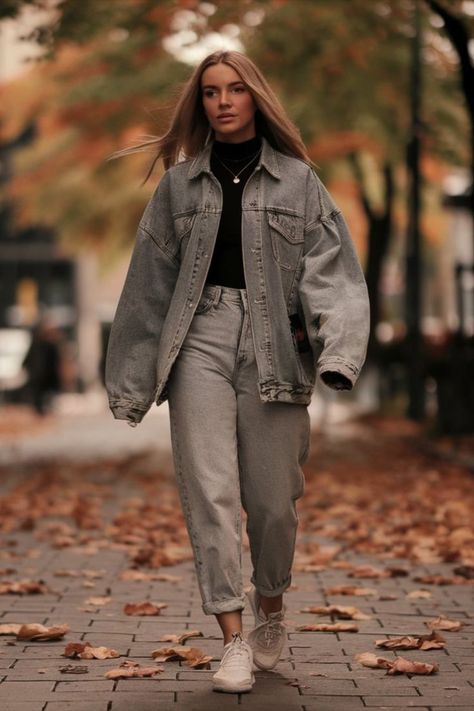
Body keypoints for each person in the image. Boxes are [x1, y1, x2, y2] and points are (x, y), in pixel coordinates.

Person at [105, 50, 370, 694]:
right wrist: (132, 383)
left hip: (275, 345)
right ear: (200, 105)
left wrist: (337, 354)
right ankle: (231, 641)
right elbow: (147, 288)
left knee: (272, 504)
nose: (222, 102)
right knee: (210, 491)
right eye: (211, 93)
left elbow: (333, 276)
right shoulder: (178, 186)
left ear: (256, 99)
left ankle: (270, 609)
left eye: (235, 90)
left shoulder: (301, 183)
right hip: (200, 337)